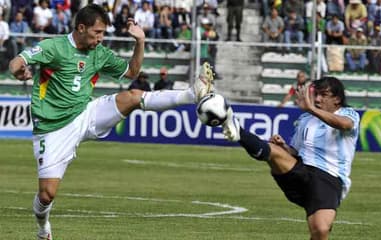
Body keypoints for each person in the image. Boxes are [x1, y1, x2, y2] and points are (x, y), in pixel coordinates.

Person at [8, 4, 215, 240]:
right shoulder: (54, 47)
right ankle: (43, 229)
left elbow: (132, 72)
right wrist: (19, 70)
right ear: (81, 28)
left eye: (103, 33)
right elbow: (17, 61)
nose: (101, 38)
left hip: (85, 113)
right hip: (52, 129)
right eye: (97, 33)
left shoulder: (99, 54)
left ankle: (192, 93)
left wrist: (140, 41)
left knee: (132, 97)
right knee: (47, 195)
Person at [222, 76, 360, 240]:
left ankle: (238, 130)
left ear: (337, 99)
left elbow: (345, 125)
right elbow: (296, 151)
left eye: (323, 95)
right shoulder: (304, 119)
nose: (317, 98)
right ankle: (237, 130)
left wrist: (311, 109)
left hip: (328, 178)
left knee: (320, 230)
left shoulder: (348, 114)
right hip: (301, 172)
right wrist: (285, 147)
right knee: (274, 151)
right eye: (316, 94)